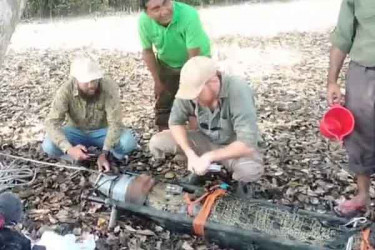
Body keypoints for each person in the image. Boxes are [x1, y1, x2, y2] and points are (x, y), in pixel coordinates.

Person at [149, 56, 264, 186]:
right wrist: (189, 152)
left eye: (197, 94)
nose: (194, 99)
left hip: (234, 147)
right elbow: (175, 122)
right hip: (206, 140)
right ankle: (202, 166)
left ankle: (226, 178)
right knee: (158, 141)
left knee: (248, 171)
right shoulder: (190, 89)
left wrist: (209, 157)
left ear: (213, 82)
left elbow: (247, 144)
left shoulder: (238, 89)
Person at [42, 56, 137, 172]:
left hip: (103, 131)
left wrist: (104, 154)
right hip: (75, 131)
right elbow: (52, 122)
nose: (91, 85)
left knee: (128, 142)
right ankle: (73, 158)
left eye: (94, 80)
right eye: (86, 81)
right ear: (76, 80)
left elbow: (115, 123)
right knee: (48, 145)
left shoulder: (108, 87)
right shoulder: (65, 90)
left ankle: (112, 157)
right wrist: (69, 149)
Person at [327, 0, 375, 217]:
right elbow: (343, 36)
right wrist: (332, 81)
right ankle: (363, 195)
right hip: (365, 69)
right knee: (359, 133)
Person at [138, 0, 211, 131]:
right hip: (167, 63)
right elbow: (147, 51)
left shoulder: (189, 14)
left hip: (197, 60)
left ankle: (199, 132)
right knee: (164, 101)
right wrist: (157, 80)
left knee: (196, 98)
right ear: (147, 13)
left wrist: (189, 86)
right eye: (156, 9)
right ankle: (167, 135)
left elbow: (194, 55)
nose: (164, 11)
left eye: (166, 2)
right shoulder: (143, 21)